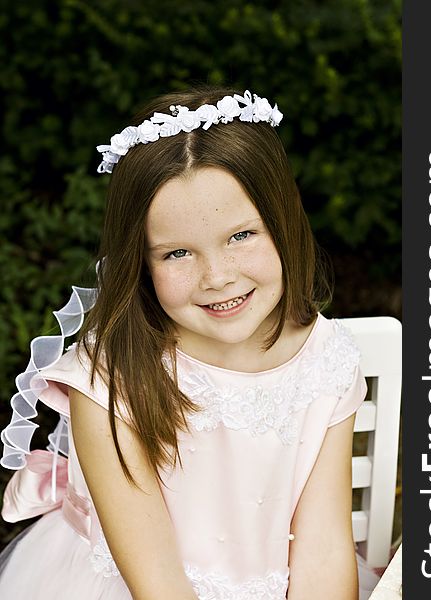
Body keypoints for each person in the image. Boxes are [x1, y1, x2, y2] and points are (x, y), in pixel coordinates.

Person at [0, 86, 379, 599]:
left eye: (242, 236)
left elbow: (324, 549)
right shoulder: (111, 379)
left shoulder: (326, 362)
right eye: (177, 253)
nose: (217, 276)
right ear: (141, 263)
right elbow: (157, 582)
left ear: (284, 224)